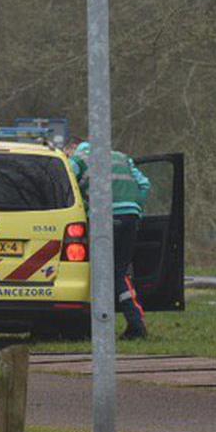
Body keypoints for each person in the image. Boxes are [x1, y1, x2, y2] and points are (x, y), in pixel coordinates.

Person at [71, 140, 153, 340]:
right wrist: (135, 207)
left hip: (103, 218)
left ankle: (102, 324)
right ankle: (135, 322)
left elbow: (68, 184)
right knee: (119, 271)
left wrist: (82, 208)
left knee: (99, 271)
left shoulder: (79, 160)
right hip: (130, 217)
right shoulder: (122, 157)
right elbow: (144, 184)